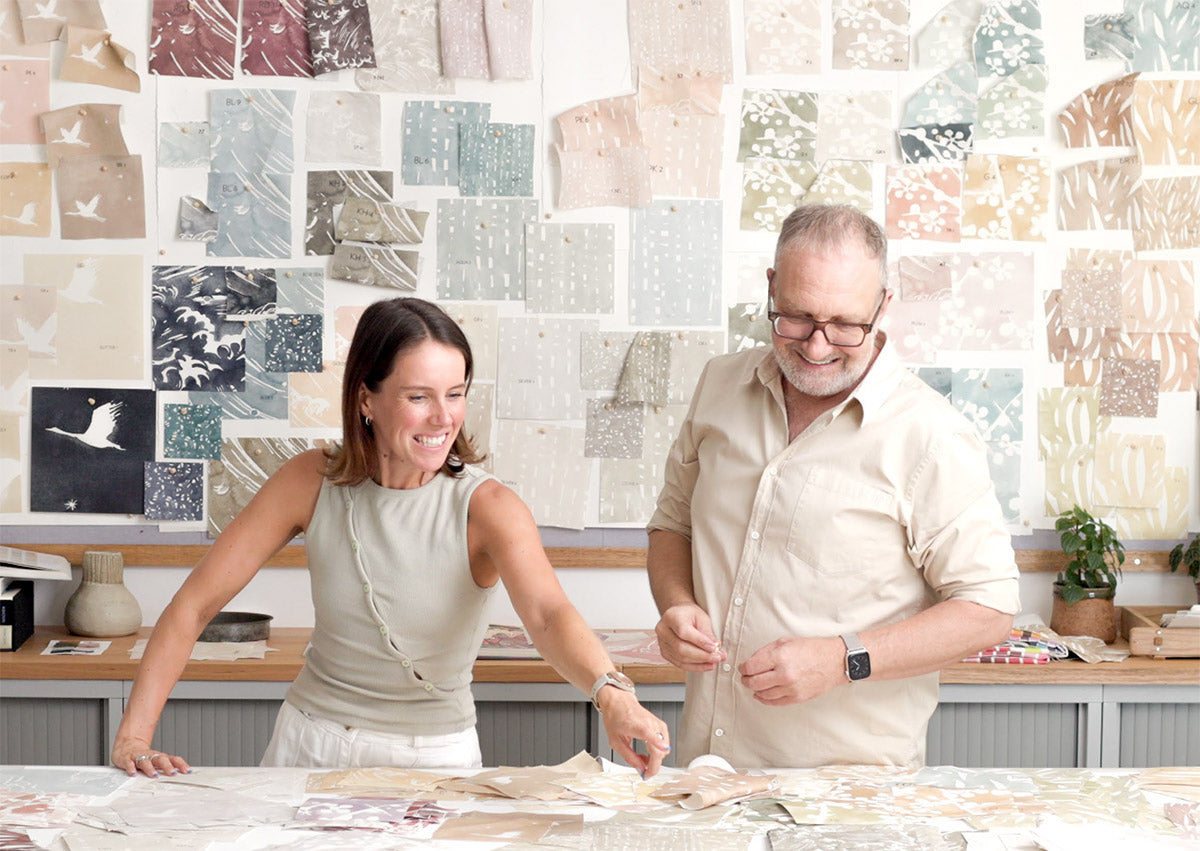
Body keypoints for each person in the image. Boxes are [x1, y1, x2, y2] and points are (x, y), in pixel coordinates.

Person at [113, 297, 671, 778]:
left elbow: (549, 615)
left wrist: (612, 696)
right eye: (418, 396)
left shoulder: (489, 507)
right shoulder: (310, 480)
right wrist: (134, 737)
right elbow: (194, 604)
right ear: (365, 399)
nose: (442, 418)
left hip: (434, 758)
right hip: (310, 742)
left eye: (456, 394)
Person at [647, 204, 1020, 769]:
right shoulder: (719, 385)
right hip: (708, 771)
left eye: (846, 325)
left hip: (851, 796)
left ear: (883, 306)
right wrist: (674, 606)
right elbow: (673, 525)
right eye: (795, 318)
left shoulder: (932, 434)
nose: (817, 348)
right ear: (771, 288)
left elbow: (990, 607)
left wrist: (843, 659)